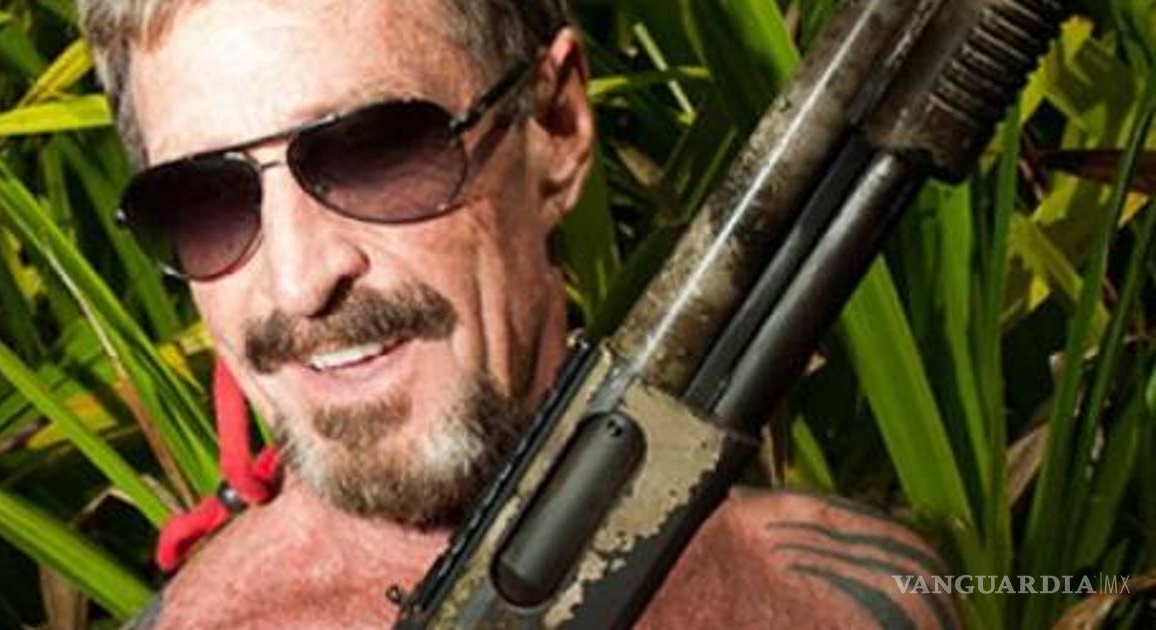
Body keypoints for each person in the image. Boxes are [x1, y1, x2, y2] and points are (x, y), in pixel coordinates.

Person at [77, 0, 958, 627]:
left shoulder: (850, 597)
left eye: (377, 150)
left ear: (557, 123)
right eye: (203, 200)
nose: (301, 280)